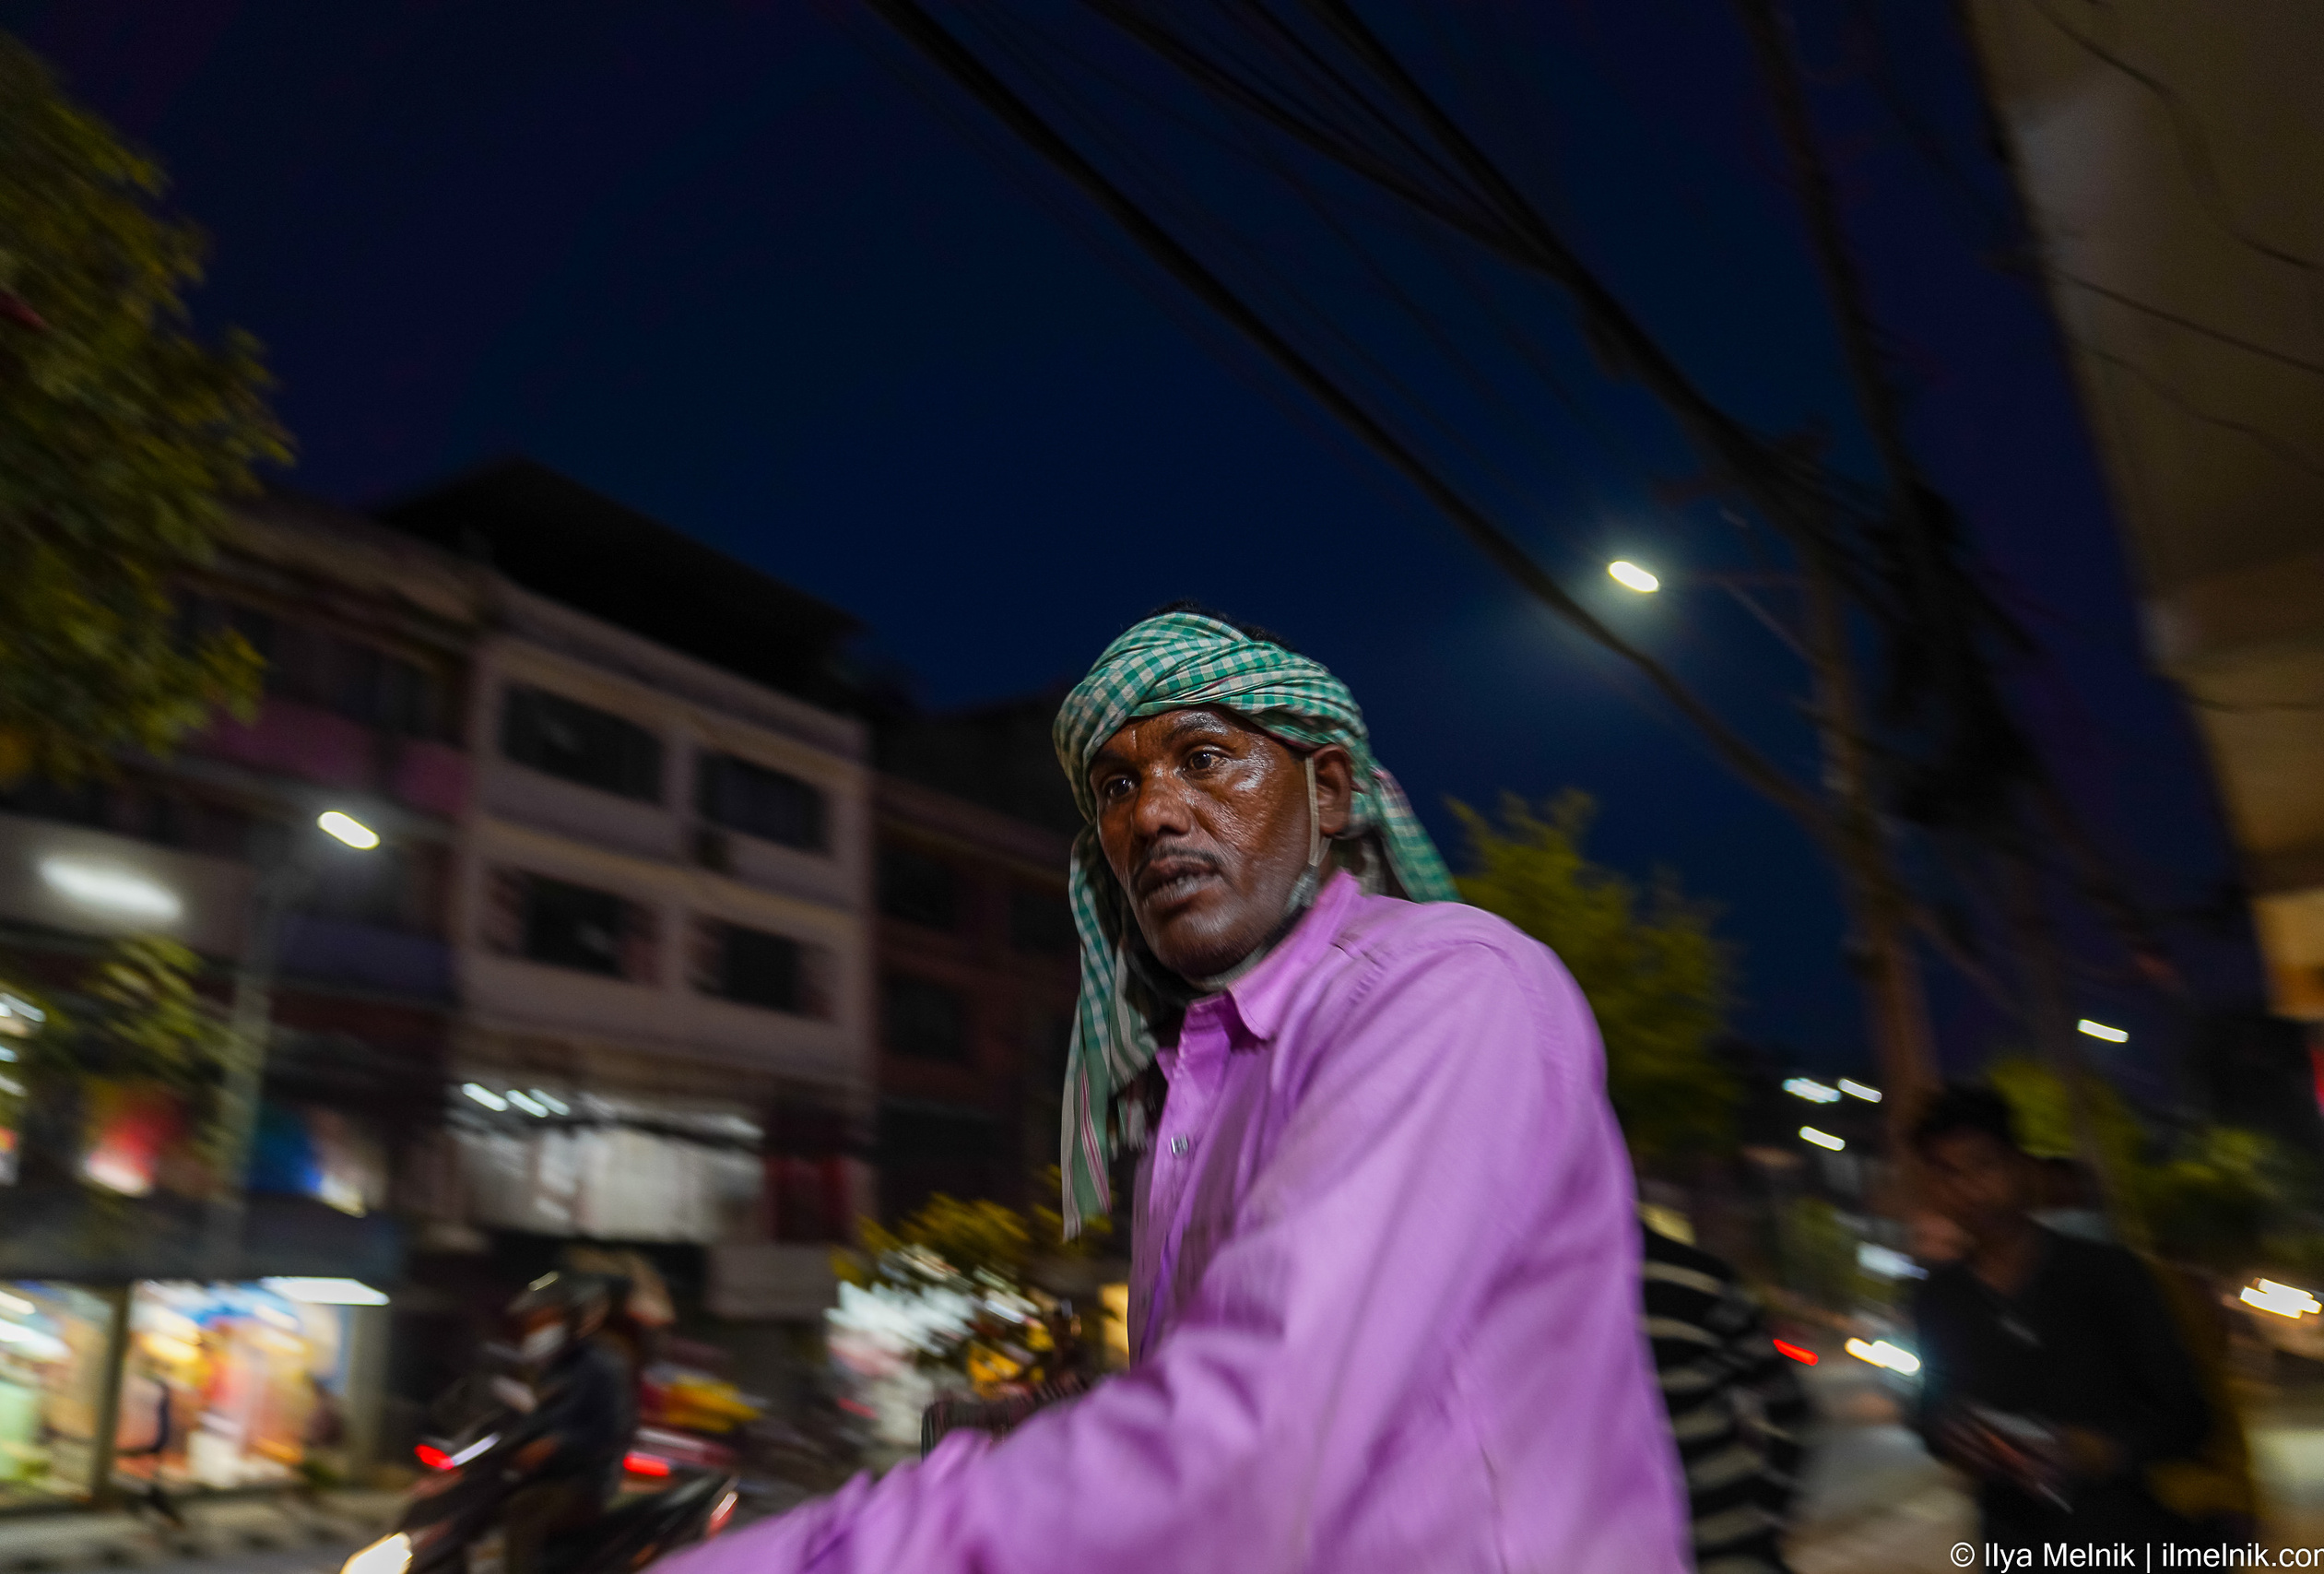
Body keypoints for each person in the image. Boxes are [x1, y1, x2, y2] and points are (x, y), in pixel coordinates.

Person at [664, 604, 1687, 1571]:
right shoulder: (1200, 1082)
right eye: (1114, 788)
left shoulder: (1445, 994)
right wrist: (1068, 1434)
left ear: (1327, 792)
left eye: (1203, 760)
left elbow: (1254, 1436)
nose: (1152, 815)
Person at [1908, 1085, 2212, 1554]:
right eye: (1947, 1174)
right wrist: (1949, 1435)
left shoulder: (2108, 1273)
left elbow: (2189, 1416)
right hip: (2013, 1544)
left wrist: (2104, 1451)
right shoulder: (1938, 1298)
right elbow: (1930, 1407)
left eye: (1982, 1166)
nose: (1968, 1190)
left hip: (2129, 1539)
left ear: (2019, 1166)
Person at [1641, 1224, 1812, 1573]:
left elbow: (1787, 1403)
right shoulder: (1698, 1276)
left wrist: (1766, 1508)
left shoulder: (1697, 1280)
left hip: (1717, 1547)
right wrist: (1768, 1509)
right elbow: (1789, 1403)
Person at [502, 1272, 637, 1574]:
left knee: (523, 1512)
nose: (537, 1329)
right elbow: (535, 1421)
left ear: (570, 1321)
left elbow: (612, 1431)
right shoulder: (552, 1370)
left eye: (546, 1321)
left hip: (585, 1483)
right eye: (533, 1322)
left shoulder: (600, 1367)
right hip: (549, 1477)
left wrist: (557, 1444)